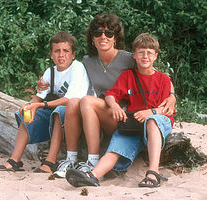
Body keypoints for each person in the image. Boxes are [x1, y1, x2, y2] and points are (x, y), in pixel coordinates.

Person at [37, 13, 176, 178]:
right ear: (92, 38)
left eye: (109, 33)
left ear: (115, 37)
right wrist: (45, 81)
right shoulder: (88, 62)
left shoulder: (128, 58)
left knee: (87, 101)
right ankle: (72, 159)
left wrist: (172, 95)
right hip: (103, 111)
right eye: (98, 33)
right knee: (74, 102)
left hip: (125, 115)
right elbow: (66, 72)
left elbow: (153, 73)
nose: (103, 37)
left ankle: (94, 161)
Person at [65, 33, 175, 188]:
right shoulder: (128, 75)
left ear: (155, 56)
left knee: (151, 121)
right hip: (134, 123)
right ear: (134, 56)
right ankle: (93, 175)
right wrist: (115, 106)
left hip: (157, 120)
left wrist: (152, 112)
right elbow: (111, 95)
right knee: (115, 148)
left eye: (149, 53)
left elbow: (168, 108)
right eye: (141, 52)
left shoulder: (163, 79)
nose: (145, 56)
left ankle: (153, 172)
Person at [0, 32, 90, 173]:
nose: (61, 55)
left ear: (73, 54)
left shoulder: (77, 68)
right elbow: (39, 97)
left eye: (66, 51)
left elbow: (69, 100)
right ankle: (14, 160)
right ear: (51, 55)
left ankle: (50, 162)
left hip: (75, 114)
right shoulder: (50, 72)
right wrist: (29, 106)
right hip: (56, 110)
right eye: (57, 51)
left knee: (58, 111)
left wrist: (39, 105)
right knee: (26, 113)